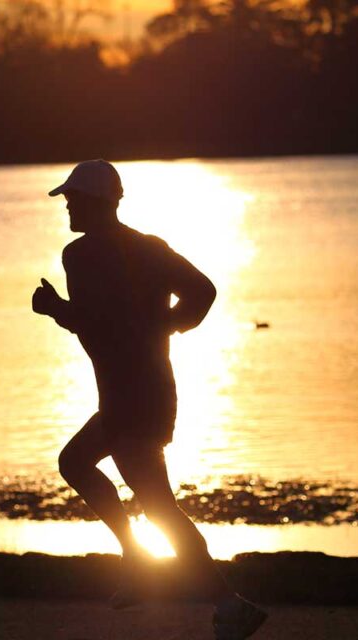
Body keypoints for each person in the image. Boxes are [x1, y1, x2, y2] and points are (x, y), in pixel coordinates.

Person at [32, 160, 267, 640]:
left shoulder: (80, 256)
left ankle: (227, 602)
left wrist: (56, 309)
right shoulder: (149, 248)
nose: (68, 207)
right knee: (77, 463)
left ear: (96, 202)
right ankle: (141, 560)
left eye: (73, 200)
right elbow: (201, 292)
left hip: (130, 395)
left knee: (157, 504)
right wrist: (165, 326)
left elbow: (97, 323)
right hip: (147, 390)